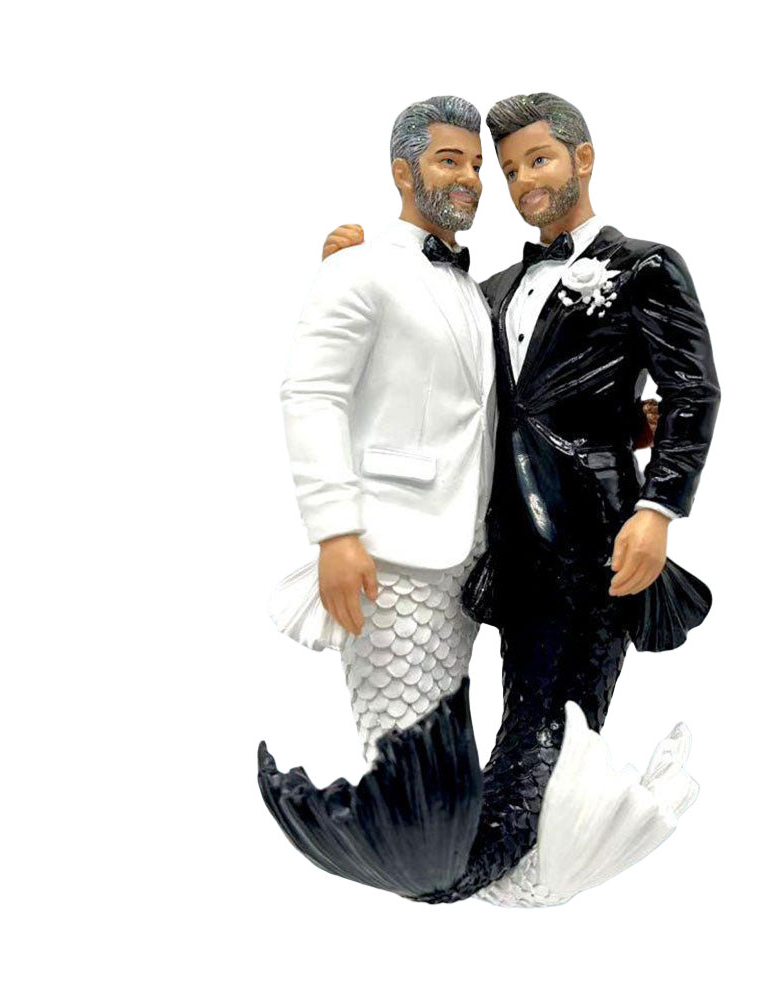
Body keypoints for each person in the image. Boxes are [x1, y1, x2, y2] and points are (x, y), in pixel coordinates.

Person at [319, 93, 718, 906]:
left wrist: (657, 511)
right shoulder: (491, 288)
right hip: (499, 544)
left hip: (598, 540)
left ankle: (470, 864)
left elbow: (692, 392)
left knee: (548, 722)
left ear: (584, 158)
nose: (524, 181)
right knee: (515, 713)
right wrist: (354, 271)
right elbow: (442, 370)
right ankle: (452, 852)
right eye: (508, 170)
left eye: (539, 159)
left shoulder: (646, 267)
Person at [259, 95, 493, 899]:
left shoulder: (473, 291)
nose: (469, 177)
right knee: (418, 781)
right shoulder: (359, 269)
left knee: (450, 747)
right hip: (387, 559)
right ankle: (373, 842)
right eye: (449, 160)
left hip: (469, 564)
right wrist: (335, 531)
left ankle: (451, 861)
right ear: (403, 172)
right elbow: (312, 392)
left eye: (475, 164)